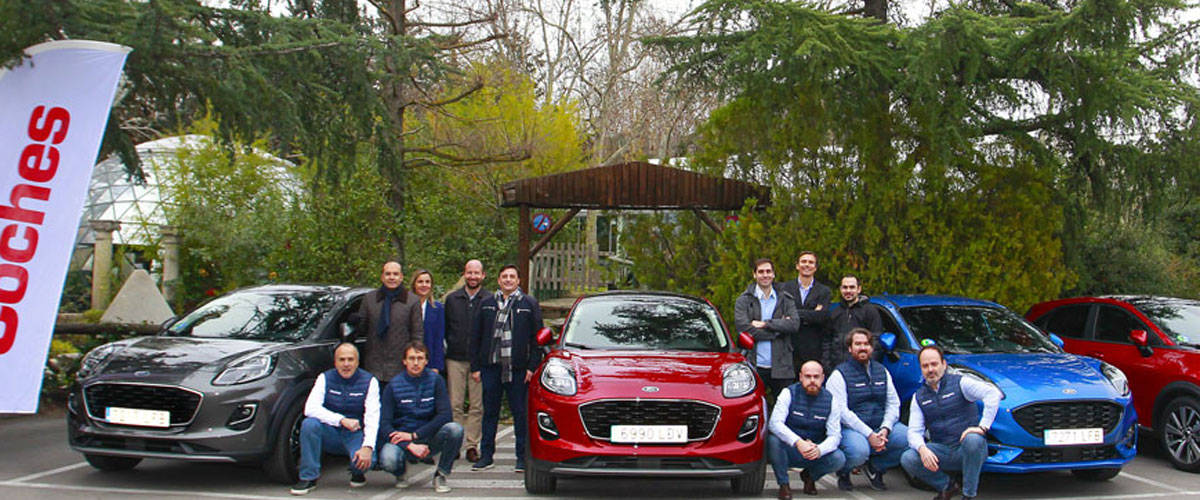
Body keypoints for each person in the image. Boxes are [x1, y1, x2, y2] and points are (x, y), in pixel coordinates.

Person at [900, 345, 1001, 500]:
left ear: (944, 364)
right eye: (925, 366)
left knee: (972, 439)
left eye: (934, 364)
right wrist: (922, 450)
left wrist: (982, 427)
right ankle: (947, 486)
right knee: (908, 458)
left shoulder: (961, 383)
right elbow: (914, 431)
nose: (930, 369)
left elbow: (993, 394)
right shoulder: (918, 397)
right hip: (943, 450)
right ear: (921, 368)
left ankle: (968, 495)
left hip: (970, 450)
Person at [470, 264, 543, 472]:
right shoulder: (487, 304)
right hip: (491, 367)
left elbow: (537, 339)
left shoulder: (528, 304)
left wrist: (532, 366)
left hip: (518, 369)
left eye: (512, 276)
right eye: (505, 276)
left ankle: (522, 457)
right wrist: (475, 366)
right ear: (499, 280)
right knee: (489, 413)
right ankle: (486, 456)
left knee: (520, 414)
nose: (508, 280)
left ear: (519, 281)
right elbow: (475, 337)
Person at [291, 343, 379, 495]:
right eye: (342, 359)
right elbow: (310, 408)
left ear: (357, 362)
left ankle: (357, 472)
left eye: (350, 360)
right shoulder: (324, 378)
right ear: (335, 362)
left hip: (355, 434)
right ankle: (308, 477)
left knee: (366, 462)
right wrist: (340, 420)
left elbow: (373, 417)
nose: (346, 364)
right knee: (309, 424)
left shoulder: (370, 381)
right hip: (330, 432)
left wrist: (367, 447)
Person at [827, 328, 907, 491]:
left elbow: (893, 403)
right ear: (850, 348)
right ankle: (844, 471)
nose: (862, 347)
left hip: (879, 425)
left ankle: (876, 466)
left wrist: (885, 429)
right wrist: (869, 434)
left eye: (866, 344)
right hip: (851, 429)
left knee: (910, 439)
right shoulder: (839, 374)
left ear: (871, 348)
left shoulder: (882, 371)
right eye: (858, 344)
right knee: (859, 451)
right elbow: (841, 412)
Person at [378, 341, 463, 494]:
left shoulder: (436, 381)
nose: (415, 363)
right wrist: (409, 444)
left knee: (455, 429)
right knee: (388, 459)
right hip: (402, 441)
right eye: (411, 358)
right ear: (404, 361)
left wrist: (416, 435)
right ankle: (400, 472)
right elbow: (384, 425)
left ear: (426, 361)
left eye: (420, 358)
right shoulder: (393, 386)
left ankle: (441, 474)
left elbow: (445, 415)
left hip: (428, 438)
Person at [767, 360, 846, 499]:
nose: (812, 380)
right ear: (800, 377)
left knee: (838, 458)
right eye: (808, 376)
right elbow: (775, 424)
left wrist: (819, 449)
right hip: (791, 449)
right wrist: (798, 442)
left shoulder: (831, 400)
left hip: (814, 450)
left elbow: (835, 435)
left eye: (816, 377)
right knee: (773, 441)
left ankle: (810, 477)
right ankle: (784, 485)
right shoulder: (788, 393)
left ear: (822, 378)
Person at [734, 258, 800, 402]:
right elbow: (744, 328)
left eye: (768, 271)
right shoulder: (743, 300)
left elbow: (794, 324)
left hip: (782, 365)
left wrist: (766, 324)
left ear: (774, 274)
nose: (765, 275)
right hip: (754, 364)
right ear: (754, 275)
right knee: (752, 407)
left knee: (783, 408)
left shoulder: (785, 299)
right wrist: (779, 330)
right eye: (761, 272)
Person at [443, 260, 487, 464]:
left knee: (477, 406)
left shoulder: (489, 299)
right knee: (456, 404)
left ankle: (472, 445)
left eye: (476, 273)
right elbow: (445, 329)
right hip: (455, 358)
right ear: (464, 274)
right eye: (469, 273)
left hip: (479, 361)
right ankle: (455, 444)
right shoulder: (452, 300)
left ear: (483, 275)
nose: (472, 276)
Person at [358, 261, 424, 383]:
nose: (392, 277)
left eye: (395, 274)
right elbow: (361, 330)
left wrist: (414, 361)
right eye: (388, 274)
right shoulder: (369, 299)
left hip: (400, 365)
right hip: (373, 365)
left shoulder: (412, 301)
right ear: (382, 277)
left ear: (401, 277)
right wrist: (355, 321)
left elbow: (417, 333)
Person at [780, 251, 831, 371]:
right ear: (797, 265)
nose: (807, 265)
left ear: (815, 267)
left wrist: (793, 314)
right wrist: (811, 313)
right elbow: (780, 316)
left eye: (811, 262)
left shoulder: (824, 291)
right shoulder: (784, 289)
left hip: (813, 349)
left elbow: (822, 317)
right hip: (789, 348)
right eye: (803, 261)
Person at [825, 275, 882, 368]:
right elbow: (826, 341)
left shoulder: (870, 311)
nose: (848, 291)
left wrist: (868, 365)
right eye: (845, 287)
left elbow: (876, 342)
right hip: (837, 368)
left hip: (862, 367)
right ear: (840, 289)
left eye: (852, 287)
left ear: (859, 289)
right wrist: (828, 367)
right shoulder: (834, 313)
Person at [412, 270, 446, 374]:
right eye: (420, 281)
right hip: (409, 362)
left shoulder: (437, 308)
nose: (424, 285)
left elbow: (439, 339)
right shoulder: (406, 306)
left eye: (427, 282)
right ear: (414, 284)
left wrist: (436, 366)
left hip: (429, 362)